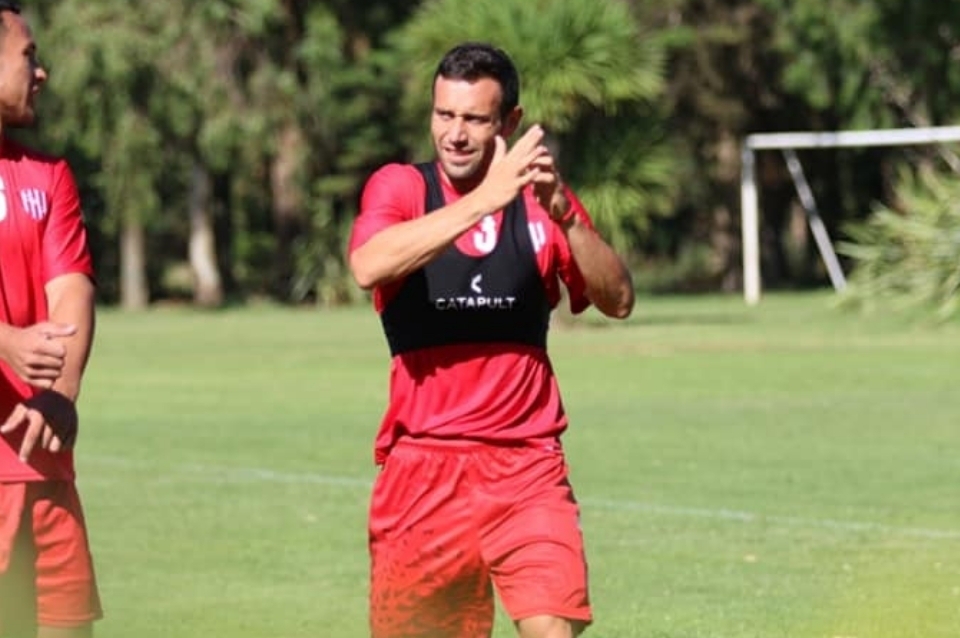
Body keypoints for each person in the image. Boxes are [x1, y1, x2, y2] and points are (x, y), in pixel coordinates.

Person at [348, 42, 635, 638]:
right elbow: (369, 265)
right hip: (422, 474)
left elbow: (619, 300)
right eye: (444, 115)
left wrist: (568, 218)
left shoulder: (541, 202)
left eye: (475, 119)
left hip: (526, 467)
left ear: (509, 123)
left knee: (552, 628)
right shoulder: (401, 187)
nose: (455, 134)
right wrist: (486, 200)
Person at [0, 2, 101, 637]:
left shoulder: (48, 175)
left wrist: (59, 395)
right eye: (27, 56)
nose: (41, 72)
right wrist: (5, 341)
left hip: (43, 466)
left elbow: (73, 291)